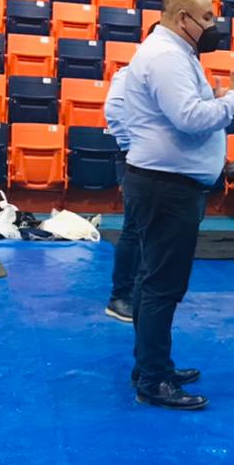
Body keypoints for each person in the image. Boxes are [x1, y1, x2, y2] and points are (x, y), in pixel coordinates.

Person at [120, 0, 234, 410]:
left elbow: (185, 108)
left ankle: (151, 364)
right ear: (182, 18)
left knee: (153, 279)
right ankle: (153, 380)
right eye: (207, 18)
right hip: (167, 187)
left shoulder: (176, 53)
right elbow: (188, 118)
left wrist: (216, 99)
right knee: (162, 285)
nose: (214, 25)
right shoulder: (166, 57)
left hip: (166, 183)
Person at [102, 67, 139, 322]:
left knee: (147, 230)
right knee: (134, 228)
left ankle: (136, 291)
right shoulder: (130, 73)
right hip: (135, 157)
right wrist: (135, 145)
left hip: (154, 160)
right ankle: (120, 297)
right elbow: (114, 110)